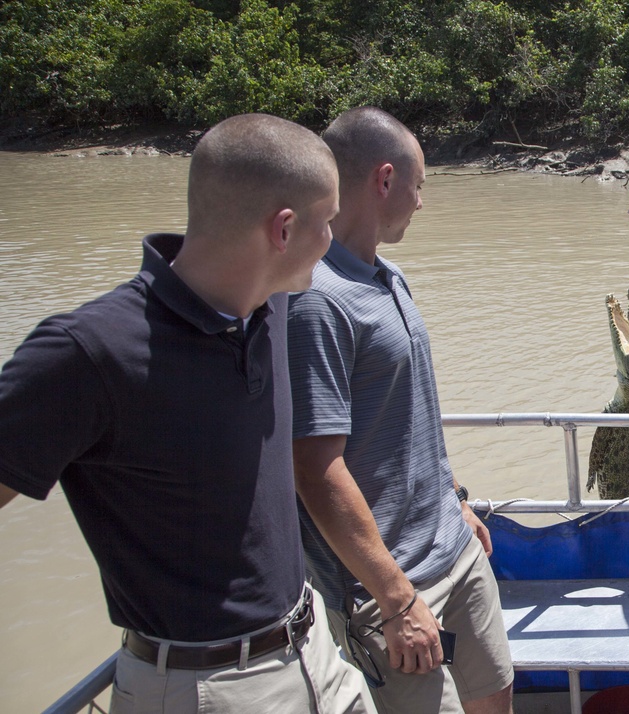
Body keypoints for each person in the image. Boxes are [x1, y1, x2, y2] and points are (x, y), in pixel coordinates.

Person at [0, 113, 375, 714]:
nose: (332, 240)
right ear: (283, 230)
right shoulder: (89, 352)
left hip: (316, 654)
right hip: (209, 689)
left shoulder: (270, 306)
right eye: (326, 222)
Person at [287, 107, 514, 714]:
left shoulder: (391, 278)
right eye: (420, 184)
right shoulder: (316, 301)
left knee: (496, 695)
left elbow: (412, 412)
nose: (422, 201)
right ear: (385, 180)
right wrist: (394, 599)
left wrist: (455, 497)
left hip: (455, 551)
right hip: (390, 586)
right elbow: (314, 468)